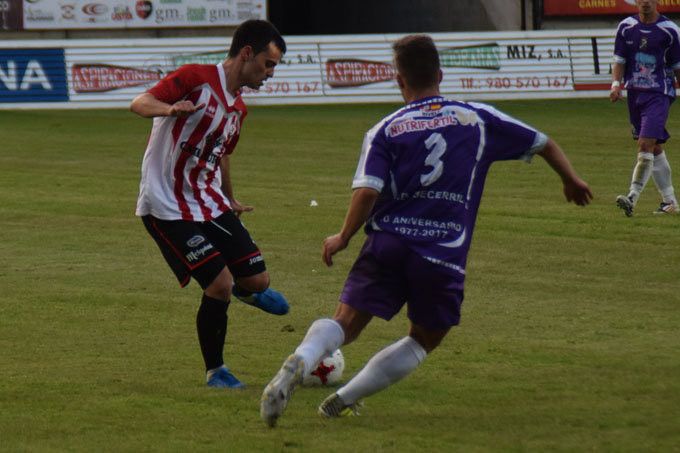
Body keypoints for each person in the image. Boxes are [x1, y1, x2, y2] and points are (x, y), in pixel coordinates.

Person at [259, 34, 593, 427]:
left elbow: (368, 190)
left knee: (345, 323)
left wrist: (344, 236)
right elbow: (542, 142)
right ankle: (345, 397)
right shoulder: (476, 118)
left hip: (387, 243)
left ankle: (301, 358)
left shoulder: (385, 129)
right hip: (441, 252)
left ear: (399, 80)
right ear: (440, 74)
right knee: (424, 339)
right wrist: (570, 180)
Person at [130, 19, 290, 389]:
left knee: (259, 280)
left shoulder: (238, 108)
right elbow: (140, 102)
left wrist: (230, 197)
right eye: (268, 64)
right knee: (218, 284)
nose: (269, 73)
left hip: (209, 200)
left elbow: (223, 154)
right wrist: (169, 110)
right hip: (166, 204)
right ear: (246, 53)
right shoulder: (195, 78)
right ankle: (216, 371)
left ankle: (246, 289)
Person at [611, 0, 680, 216]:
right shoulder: (626, 27)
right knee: (655, 148)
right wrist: (616, 84)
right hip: (635, 94)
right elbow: (620, 59)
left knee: (645, 144)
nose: (646, 2)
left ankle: (631, 197)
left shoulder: (669, 30)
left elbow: (678, 66)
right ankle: (670, 203)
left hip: (659, 94)